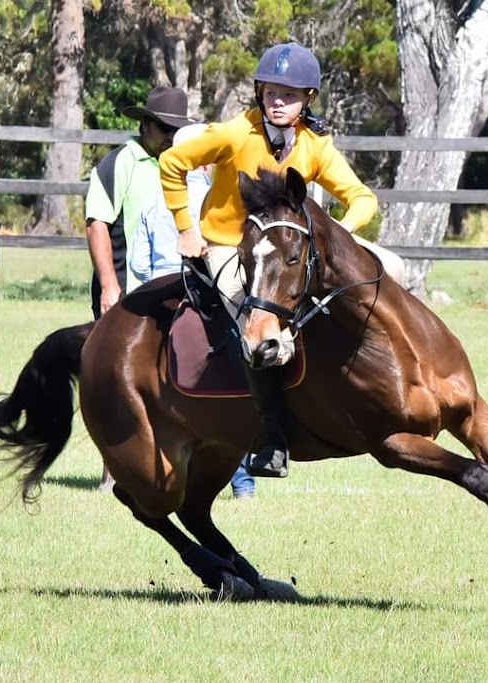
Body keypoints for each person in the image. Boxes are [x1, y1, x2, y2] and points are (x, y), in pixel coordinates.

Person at [159, 42, 405, 480]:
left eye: (289, 95)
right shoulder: (235, 134)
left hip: (289, 249)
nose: (278, 101)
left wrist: (336, 238)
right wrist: (185, 228)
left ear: (308, 99)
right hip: (228, 245)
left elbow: (362, 198)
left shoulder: (315, 145)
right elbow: (173, 162)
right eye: (271, 92)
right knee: (254, 323)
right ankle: (272, 436)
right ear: (259, 92)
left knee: (393, 270)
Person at [131, 123, 258, 500]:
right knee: (235, 376)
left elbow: (138, 260)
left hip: (157, 298)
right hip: (203, 292)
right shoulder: (218, 199)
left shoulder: (155, 199)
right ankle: (244, 479)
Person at [85, 85, 196, 491]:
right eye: (164, 127)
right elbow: (97, 222)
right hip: (127, 293)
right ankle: (112, 470)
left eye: (176, 129)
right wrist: (110, 286)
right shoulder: (117, 165)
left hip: (175, 289)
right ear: (144, 123)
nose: (170, 136)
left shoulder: (183, 164)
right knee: (116, 382)